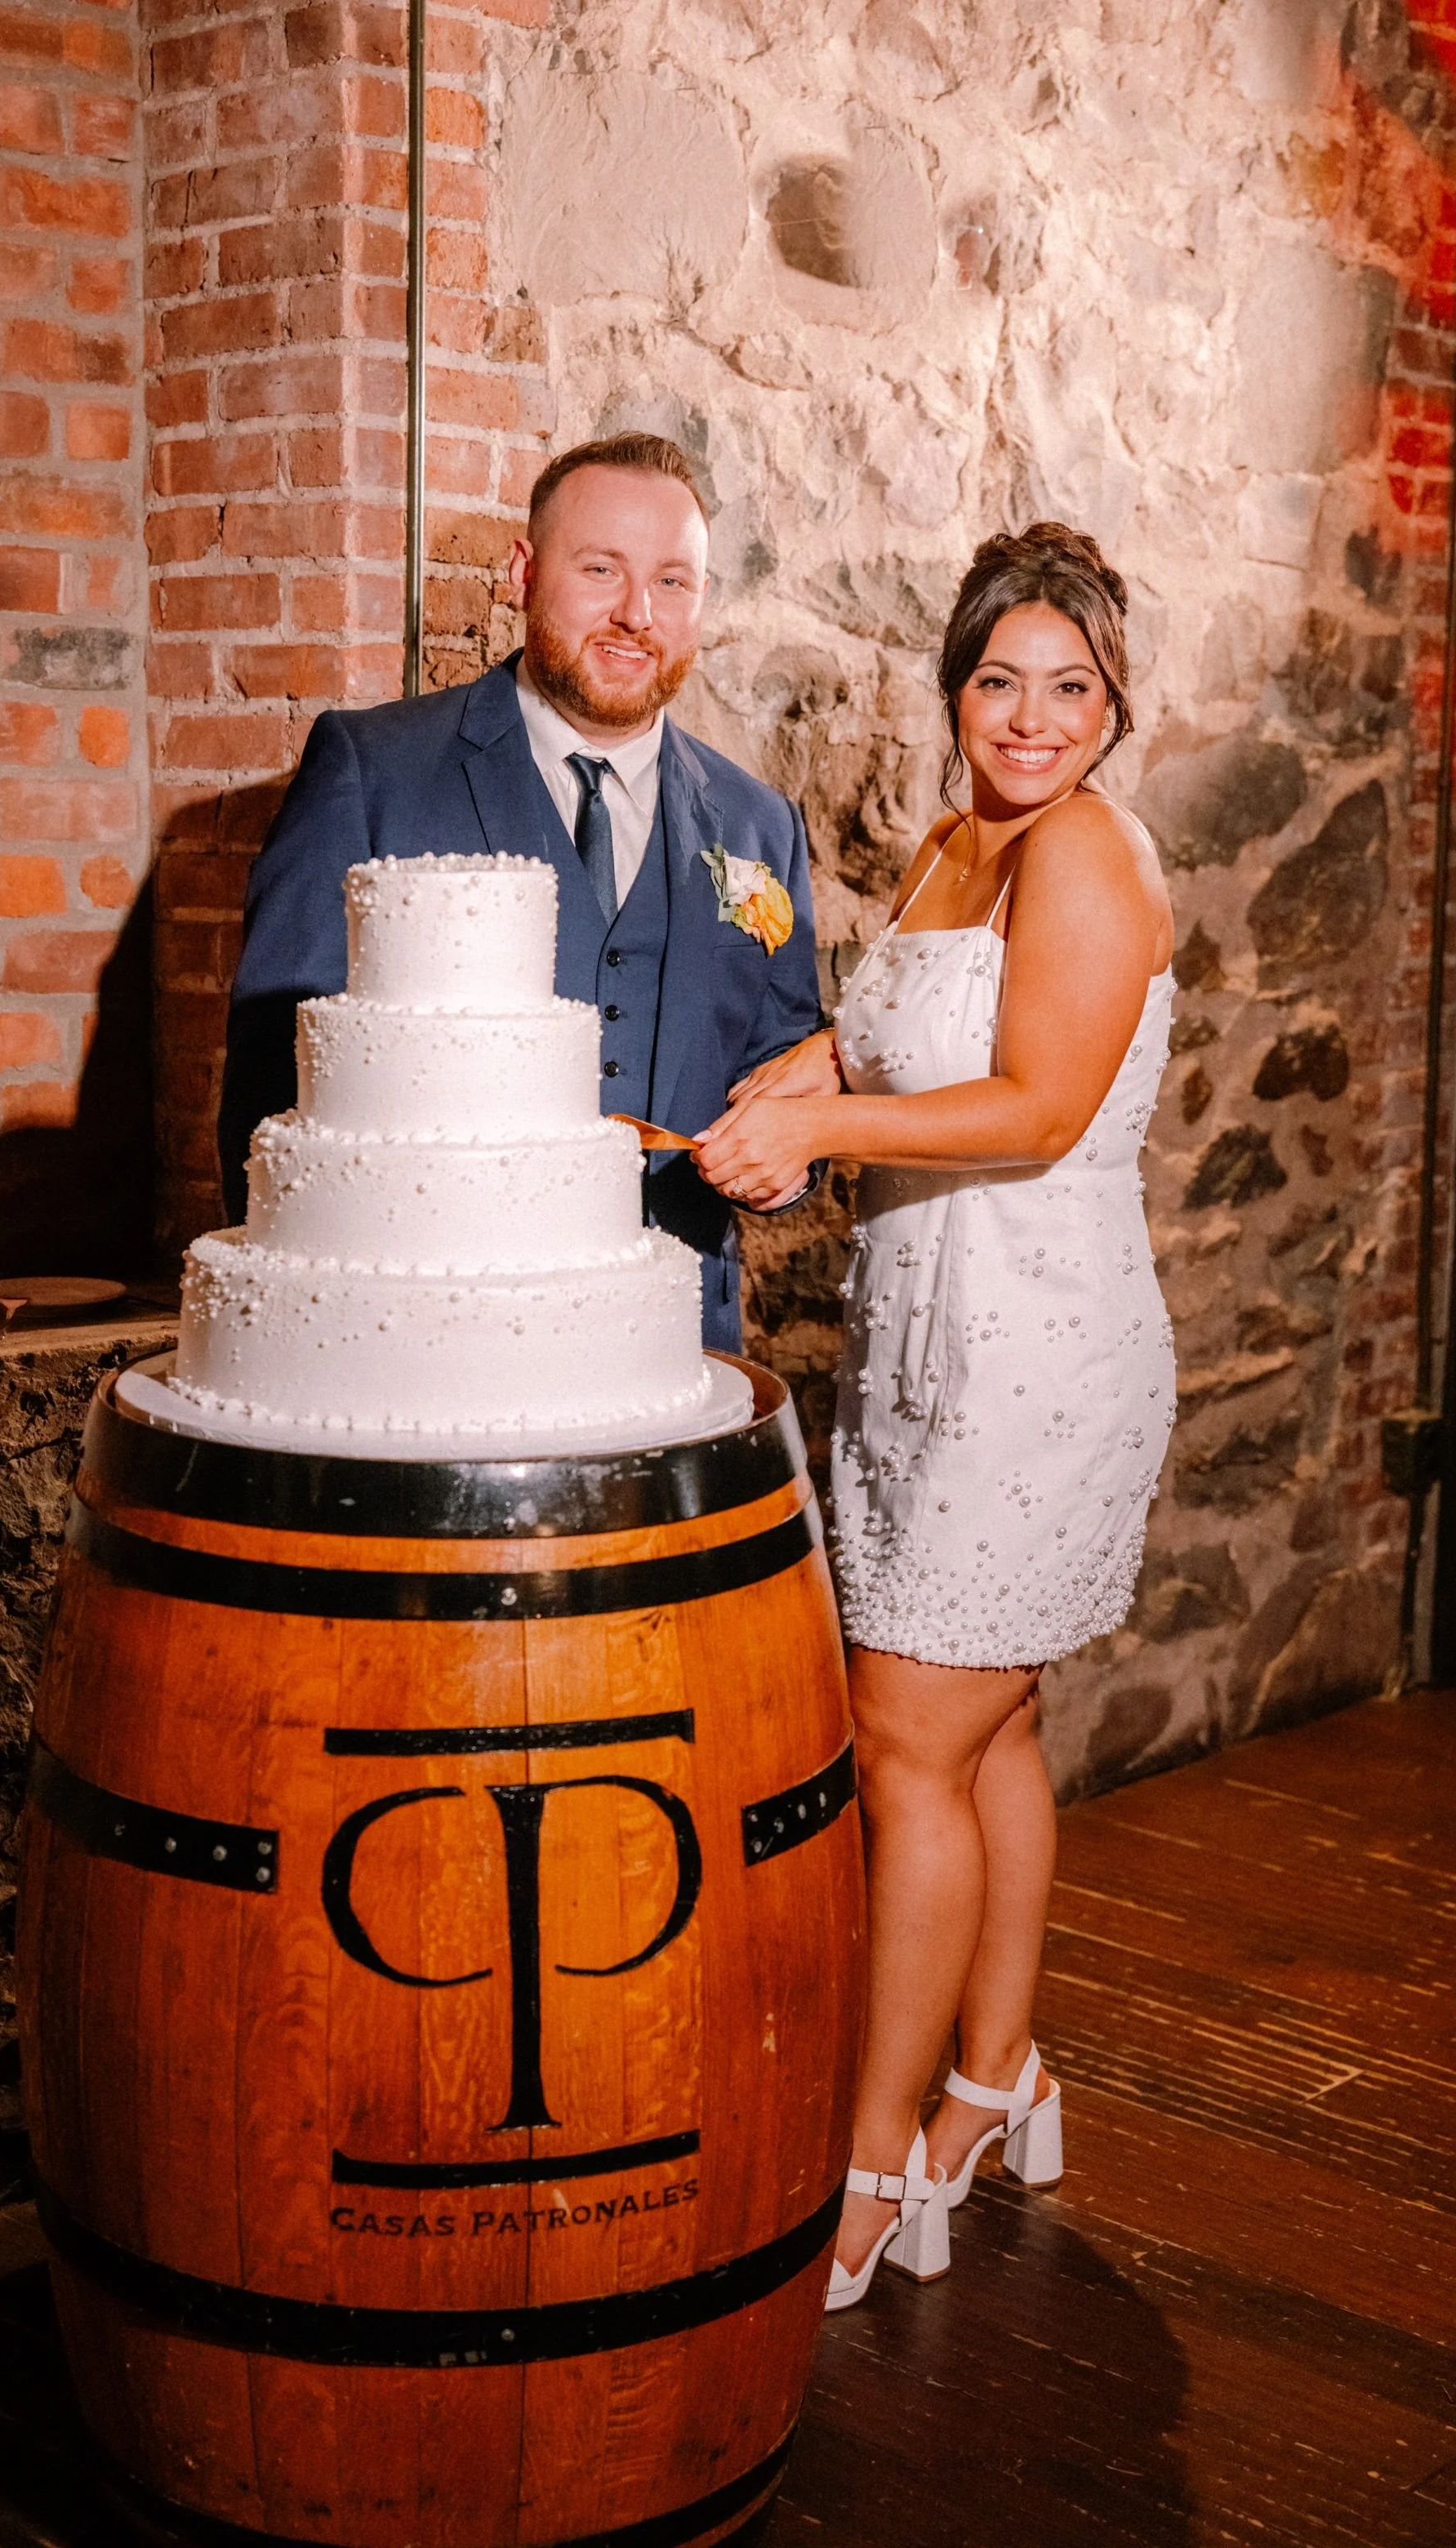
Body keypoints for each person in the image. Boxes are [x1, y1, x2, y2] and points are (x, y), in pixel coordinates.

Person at [694, 523, 1177, 2305]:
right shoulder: (952, 843)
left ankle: (878, 2155)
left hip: (1035, 1362)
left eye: (1069, 687)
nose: (1030, 717)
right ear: (954, 686)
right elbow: (916, 1033)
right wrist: (816, 1064)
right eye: (999, 680)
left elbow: (1038, 1102)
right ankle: (999, 2079)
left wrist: (814, 1135)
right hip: (921, 1354)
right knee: (987, 1741)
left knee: (900, 1753)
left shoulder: (1084, 855)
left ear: (1111, 703)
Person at [218, 433, 824, 1351]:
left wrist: (791, 1160)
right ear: (521, 573)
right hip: (425, 1336)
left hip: (676, 1339)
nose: (636, 614)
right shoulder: (371, 771)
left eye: (672, 582)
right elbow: (276, 1077)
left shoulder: (758, 824)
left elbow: (786, 1060)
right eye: (599, 570)